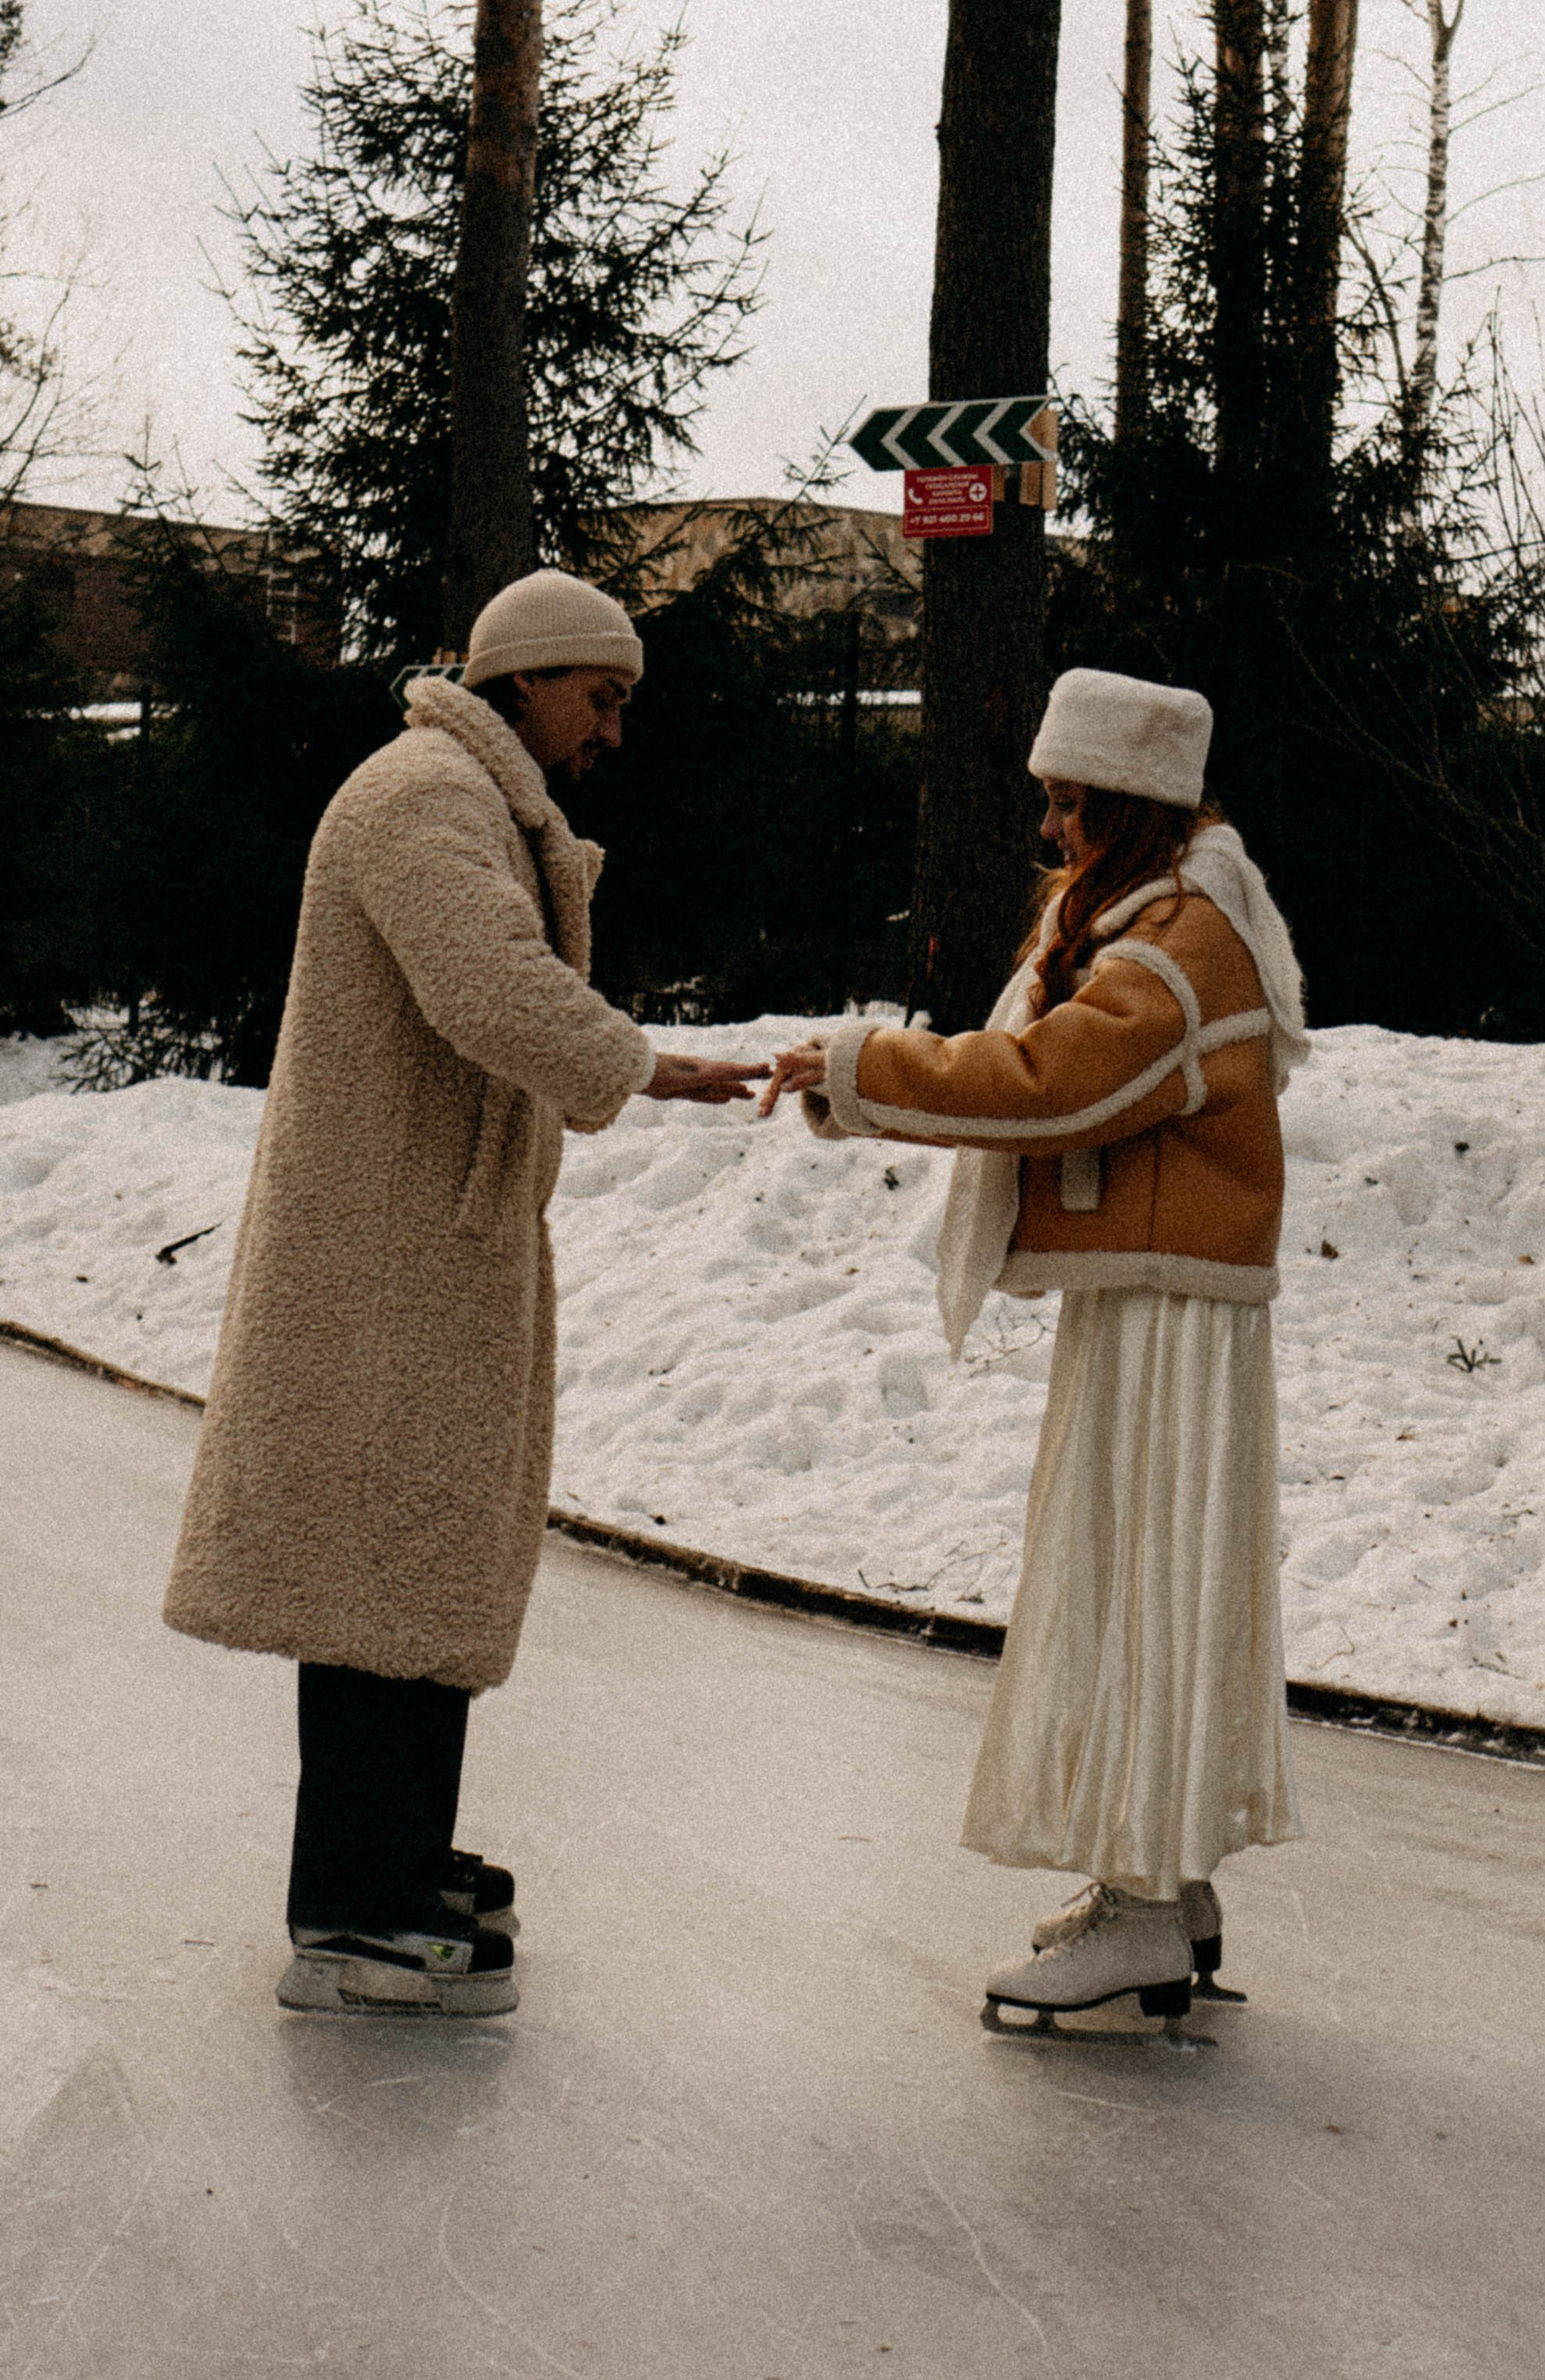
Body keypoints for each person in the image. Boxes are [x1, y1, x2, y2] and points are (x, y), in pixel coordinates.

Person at [163, 568, 767, 2017]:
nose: (612, 732)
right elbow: (486, 985)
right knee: (375, 1566)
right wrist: (645, 1064)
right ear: (527, 680)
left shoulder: (471, 795)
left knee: (421, 1558)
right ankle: (348, 1908)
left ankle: (399, 1855)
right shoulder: (423, 793)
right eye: (601, 699)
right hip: (380, 1259)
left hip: (427, 1245)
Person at [764, 666, 1306, 2033]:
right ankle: (1164, 1894)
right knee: (1152, 1578)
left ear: (1133, 806)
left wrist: (857, 1064)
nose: (1051, 832)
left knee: (1132, 1582)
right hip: (1157, 1302)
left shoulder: (1179, 946)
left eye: (1072, 804)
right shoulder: (1164, 917)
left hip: (1168, 1320)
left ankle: (1137, 1905)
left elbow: (1050, 1085)